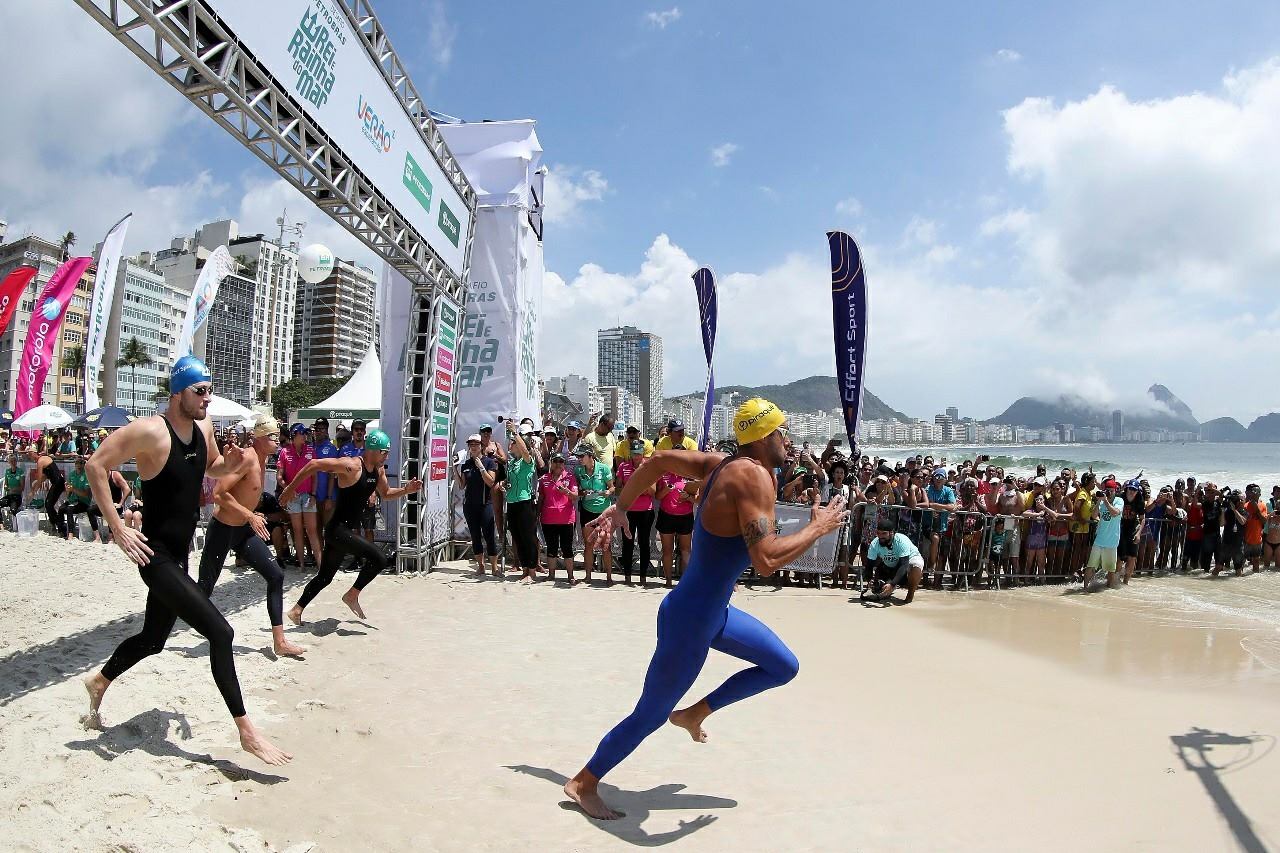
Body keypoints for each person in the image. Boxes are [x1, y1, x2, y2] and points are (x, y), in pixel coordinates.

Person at [563, 398, 847, 820]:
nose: (787, 440)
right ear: (764, 436)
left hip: (713, 612)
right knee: (651, 713)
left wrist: (621, 506)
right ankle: (584, 782)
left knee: (782, 666)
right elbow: (766, 558)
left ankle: (695, 712)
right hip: (691, 621)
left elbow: (658, 460)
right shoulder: (754, 478)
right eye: (782, 432)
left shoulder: (719, 463)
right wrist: (817, 528)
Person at [82, 356, 291, 765]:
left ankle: (99, 680)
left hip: (180, 554)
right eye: (200, 391)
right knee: (222, 632)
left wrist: (228, 462)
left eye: (210, 391)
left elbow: (211, 466)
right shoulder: (148, 431)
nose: (207, 399)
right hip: (153, 554)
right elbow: (95, 465)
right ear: (178, 392)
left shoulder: (204, 427)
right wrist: (117, 527)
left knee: (154, 640)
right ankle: (247, 733)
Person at [282, 428, 421, 623]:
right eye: (384, 452)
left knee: (325, 578)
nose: (387, 456)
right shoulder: (352, 466)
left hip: (342, 532)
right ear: (373, 450)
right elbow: (313, 464)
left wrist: (406, 490)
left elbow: (387, 494)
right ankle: (352, 595)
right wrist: (289, 490)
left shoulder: (378, 470)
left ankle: (296, 610)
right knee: (380, 559)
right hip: (338, 530)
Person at [197, 414, 305, 658]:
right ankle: (167, 613)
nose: (278, 441)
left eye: (279, 436)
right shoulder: (247, 458)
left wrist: (250, 514)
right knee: (204, 588)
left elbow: (243, 493)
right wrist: (250, 515)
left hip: (242, 531)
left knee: (276, 576)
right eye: (273, 436)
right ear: (259, 438)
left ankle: (280, 641)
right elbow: (219, 493)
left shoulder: (262, 460)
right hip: (223, 529)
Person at [502, 421, 541, 583]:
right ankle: (525, 569)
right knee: (517, 536)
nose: (511, 445)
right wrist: (505, 485)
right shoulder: (511, 463)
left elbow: (526, 452)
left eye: (513, 443)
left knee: (528, 537)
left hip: (525, 502)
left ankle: (532, 571)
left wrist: (515, 432)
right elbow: (509, 480)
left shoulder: (528, 460)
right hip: (512, 503)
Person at [277, 424, 320, 568]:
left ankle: (320, 564)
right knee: (297, 530)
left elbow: (315, 476)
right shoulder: (284, 452)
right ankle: (301, 564)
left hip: (308, 495)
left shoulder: (310, 450)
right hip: (293, 497)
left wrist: (313, 494)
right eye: (302, 434)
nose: (305, 436)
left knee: (312, 530)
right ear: (294, 435)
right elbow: (279, 477)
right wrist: (288, 489)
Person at [615, 438, 657, 585]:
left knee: (644, 543)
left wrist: (637, 488)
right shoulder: (623, 467)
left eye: (639, 453)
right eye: (634, 453)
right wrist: (633, 489)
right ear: (630, 453)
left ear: (643, 453)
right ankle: (627, 576)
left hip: (646, 510)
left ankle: (643, 577)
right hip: (629, 510)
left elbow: (652, 491)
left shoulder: (649, 467)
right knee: (628, 542)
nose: (637, 457)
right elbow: (619, 488)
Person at [456, 433, 499, 577]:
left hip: (485, 504)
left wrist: (481, 467)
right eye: (471, 445)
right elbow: (462, 485)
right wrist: (453, 469)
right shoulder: (466, 464)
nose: (473, 447)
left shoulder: (489, 462)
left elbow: (491, 482)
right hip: (470, 505)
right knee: (475, 536)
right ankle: (480, 566)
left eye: (476, 445)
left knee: (489, 536)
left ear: (481, 446)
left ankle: (494, 568)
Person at [655, 450, 696, 588]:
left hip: (685, 516)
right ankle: (668, 581)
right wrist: (666, 490)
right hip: (666, 515)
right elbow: (658, 496)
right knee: (667, 550)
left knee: (686, 550)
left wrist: (688, 497)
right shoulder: (664, 474)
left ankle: (685, 583)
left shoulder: (691, 475)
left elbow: (698, 499)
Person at [574, 445, 615, 583]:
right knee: (588, 544)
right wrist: (582, 493)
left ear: (590, 455)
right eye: (578, 456)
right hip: (587, 510)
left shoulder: (603, 468)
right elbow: (577, 491)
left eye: (581, 456)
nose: (579, 459)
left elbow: (612, 487)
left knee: (606, 545)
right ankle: (588, 576)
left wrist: (608, 492)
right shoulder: (578, 470)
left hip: (603, 511)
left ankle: (609, 577)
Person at [537, 453, 579, 583]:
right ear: (551, 463)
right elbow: (541, 498)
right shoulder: (544, 478)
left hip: (566, 518)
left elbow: (575, 496)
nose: (558, 464)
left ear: (564, 463)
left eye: (561, 461)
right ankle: (551, 575)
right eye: (555, 461)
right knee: (551, 547)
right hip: (548, 518)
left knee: (567, 548)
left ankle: (570, 576)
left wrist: (566, 491)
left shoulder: (570, 477)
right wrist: (537, 514)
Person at [864, 517, 925, 603]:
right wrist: (869, 579)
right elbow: (869, 565)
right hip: (891, 564)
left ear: (891, 533)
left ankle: (910, 595)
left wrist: (892, 584)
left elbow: (904, 565)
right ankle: (887, 587)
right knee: (878, 591)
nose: (880, 536)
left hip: (909, 560)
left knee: (916, 565)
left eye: (884, 534)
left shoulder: (901, 540)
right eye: (878, 533)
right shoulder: (875, 543)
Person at [1084, 477, 1124, 592]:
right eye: (1108, 490)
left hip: (1112, 541)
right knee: (1090, 565)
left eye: (1112, 491)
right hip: (1099, 539)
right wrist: (1098, 501)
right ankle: (1085, 589)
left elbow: (1115, 513)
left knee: (1110, 568)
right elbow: (1094, 515)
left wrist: (1106, 501)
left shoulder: (1119, 501)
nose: (1109, 493)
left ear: (1115, 491)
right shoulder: (1102, 502)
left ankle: (1109, 589)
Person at [311, 417, 339, 551]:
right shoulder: (311, 447)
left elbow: (332, 475)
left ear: (327, 430)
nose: (318, 431)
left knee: (328, 529)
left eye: (321, 429)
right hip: (314, 495)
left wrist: (329, 498)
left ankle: (330, 556)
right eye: (317, 429)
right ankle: (320, 557)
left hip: (328, 496)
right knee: (315, 528)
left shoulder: (331, 448)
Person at [61, 457, 101, 542]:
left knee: (69, 509)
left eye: (81, 463)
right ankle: (62, 531)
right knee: (61, 509)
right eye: (77, 463)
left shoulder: (86, 475)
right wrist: (68, 490)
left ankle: (71, 533)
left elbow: (86, 494)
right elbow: (68, 494)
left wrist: (73, 489)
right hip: (73, 500)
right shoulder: (72, 475)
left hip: (83, 502)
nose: (78, 465)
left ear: (83, 465)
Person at [30, 447, 66, 537]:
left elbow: (39, 480)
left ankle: (58, 526)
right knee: (49, 504)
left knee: (48, 504)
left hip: (58, 482)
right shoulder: (44, 460)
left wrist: (33, 492)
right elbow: (44, 477)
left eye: (29, 453)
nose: (28, 455)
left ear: (34, 453)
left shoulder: (40, 461)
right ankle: (56, 524)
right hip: (58, 482)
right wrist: (34, 487)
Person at [1243, 484, 1268, 572]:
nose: (1253, 494)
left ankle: (1255, 582)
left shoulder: (1263, 505)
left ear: (1259, 494)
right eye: (1252, 492)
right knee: (1242, 562)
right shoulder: (1245, 506)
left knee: (1256, 561)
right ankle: (1239, 581)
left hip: (1257, 539)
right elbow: (1242, 523)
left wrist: (1256, 509)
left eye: (1255, 492)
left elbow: (1264, 521)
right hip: (1246, 539)